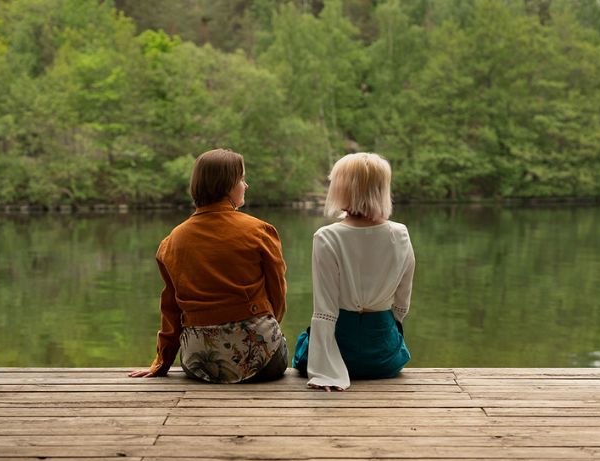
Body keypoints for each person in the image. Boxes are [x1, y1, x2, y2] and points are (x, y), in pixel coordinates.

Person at [129, 148, 288, 383]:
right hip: (262, 361)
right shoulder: (260, 231)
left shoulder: (171, 242)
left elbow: (171, 309)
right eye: (242, 179)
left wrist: (161, 363)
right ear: (228, 185)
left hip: (199, 364)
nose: (246, 185)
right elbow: (278, 295)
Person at [293, 152, 414, 392]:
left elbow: (324, 310)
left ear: (342, 189)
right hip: (385, 358)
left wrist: (325, 372)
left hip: (341, 349)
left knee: (301, 344)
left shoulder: (327, 237)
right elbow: (402, 304)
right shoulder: (399, 234)